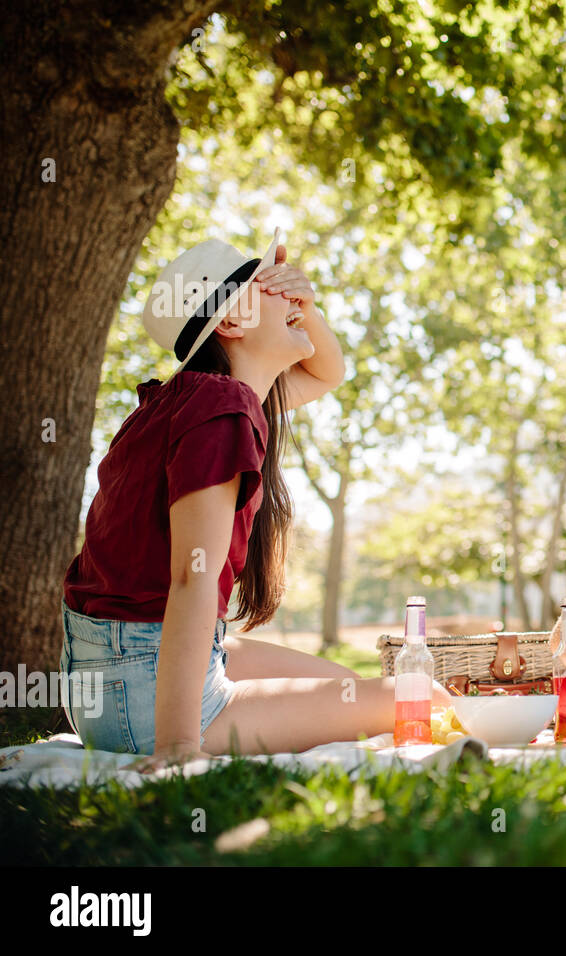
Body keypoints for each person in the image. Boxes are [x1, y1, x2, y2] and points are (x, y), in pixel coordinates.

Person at [59, 229, 450, 772]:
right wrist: (178, 745)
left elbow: (328, 371)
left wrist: (306, 309)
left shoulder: (191, 399)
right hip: (145, 700)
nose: (292, 297)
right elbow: (191, 578)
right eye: (272, 285)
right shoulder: (219, 409)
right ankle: (174, 731)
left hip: (108, 683)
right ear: (231, 321)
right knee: (418, 697)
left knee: (344, 686)